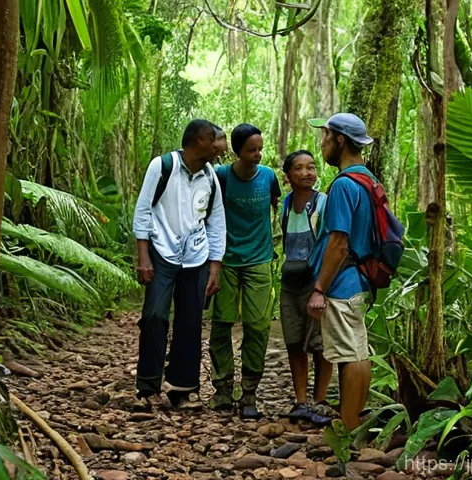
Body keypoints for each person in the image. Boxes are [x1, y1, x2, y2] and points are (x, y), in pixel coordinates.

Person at [132, 119, 226, 410]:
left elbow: (216, 222)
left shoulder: (210, 176)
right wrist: (143, 256)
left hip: (196, 257)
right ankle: (148, 387)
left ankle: (181, 389)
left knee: (189, 322)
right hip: (161, 252)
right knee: (155, 315)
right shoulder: (162, 166)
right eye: (214, 140)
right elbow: (143, 209)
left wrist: (215, 265)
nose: (219, 146)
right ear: (198, 141)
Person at [305, 113, 376, 432]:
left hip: (342, 283)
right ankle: (353, 422)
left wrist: (320, 288)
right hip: (358, 281)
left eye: (325, 137)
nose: (322, 143)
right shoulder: (368, 180)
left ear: (340, 140)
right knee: (357, 352)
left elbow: (338, 242)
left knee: (350, 356)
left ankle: (348, 430)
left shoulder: (345, 185)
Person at [209, 123, 281, 419]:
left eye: (260, 149)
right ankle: (223, 389)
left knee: (258, 325)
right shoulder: (222, 176)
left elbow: (276, 205)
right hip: (226, 260)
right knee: (222, 323)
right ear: (237, 151)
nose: (258, 155)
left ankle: (249, 390)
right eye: (251, 150)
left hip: (259, 259)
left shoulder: (268, 177)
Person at [278, 150, 333, 426]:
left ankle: (320, 400)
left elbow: (331, 243)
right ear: (287, 177)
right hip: (290, 282)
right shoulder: (285, 206)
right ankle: (301, 401)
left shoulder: (323, 203)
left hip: (315, 282)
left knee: (321, 344)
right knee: (294, 342)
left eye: (311, 167)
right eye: (299, 168)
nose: (307, 173)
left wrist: (322, 287)